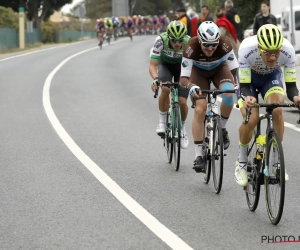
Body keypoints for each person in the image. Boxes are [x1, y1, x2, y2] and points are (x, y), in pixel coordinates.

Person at [235, 24, 300, 186]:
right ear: (258, 47)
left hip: (271, 78)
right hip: (248, 80)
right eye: (267, 53)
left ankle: (278, 162)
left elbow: (291, 87)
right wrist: (248, 98)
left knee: (277, 109)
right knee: (252, 119)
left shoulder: (288, 50)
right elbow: (243, 86)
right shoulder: (246, 49)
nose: (272, 57)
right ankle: (241, 161)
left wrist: (297, 98)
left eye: (276, 53)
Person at [179, 21, 238, 172]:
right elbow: (183, 78)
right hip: (198, 75)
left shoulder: (225, 45)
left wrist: (237, 86)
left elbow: (235, 70)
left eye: (214, 45)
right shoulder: (191, 47)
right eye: (206, 45)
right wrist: (192, 87)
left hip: (219, 70)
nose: (211, 48)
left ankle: (222, 128)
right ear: (199, 40)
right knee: (200, 109)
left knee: (229, 94)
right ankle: (198, 155)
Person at [150, 21, 191, 149]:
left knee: (183, 102)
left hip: (182, 68)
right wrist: (156, 79)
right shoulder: (160, 40)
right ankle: (162, 122)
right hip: (165, 65)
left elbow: (193, 66)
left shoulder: (189, 43)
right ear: (169, 37)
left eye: (180, 40)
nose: (177, 44)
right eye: (174, 40)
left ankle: (183, 130)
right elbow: (152, 65)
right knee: (166, 89)